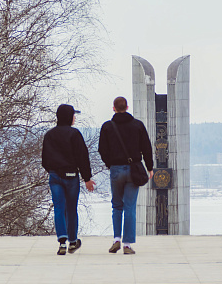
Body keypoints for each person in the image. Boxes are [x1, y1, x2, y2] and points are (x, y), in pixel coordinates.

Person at [98, 96, 153, 255]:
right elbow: (146, 148)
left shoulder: (107, 127)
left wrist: (111, 164)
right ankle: (127, 244)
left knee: (116, 205)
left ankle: (116, 239)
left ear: (113, 108)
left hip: (116, 169)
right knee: (130, 207)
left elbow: (102, 149)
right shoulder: (138, 125)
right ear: (127, 107)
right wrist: (149, 167)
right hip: (134, 169)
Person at [42, 104, 96, 255]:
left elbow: (44, 160)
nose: (74, 118)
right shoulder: (75, 134)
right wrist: (87, 178)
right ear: (68, 116)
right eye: (73, 115)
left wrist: (54, 171)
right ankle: (73, 241)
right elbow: (82, 157)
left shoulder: (49, 135)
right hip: (71, 176)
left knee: (59, 208)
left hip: (55, 176)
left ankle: (62, 242)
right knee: (71, 209)